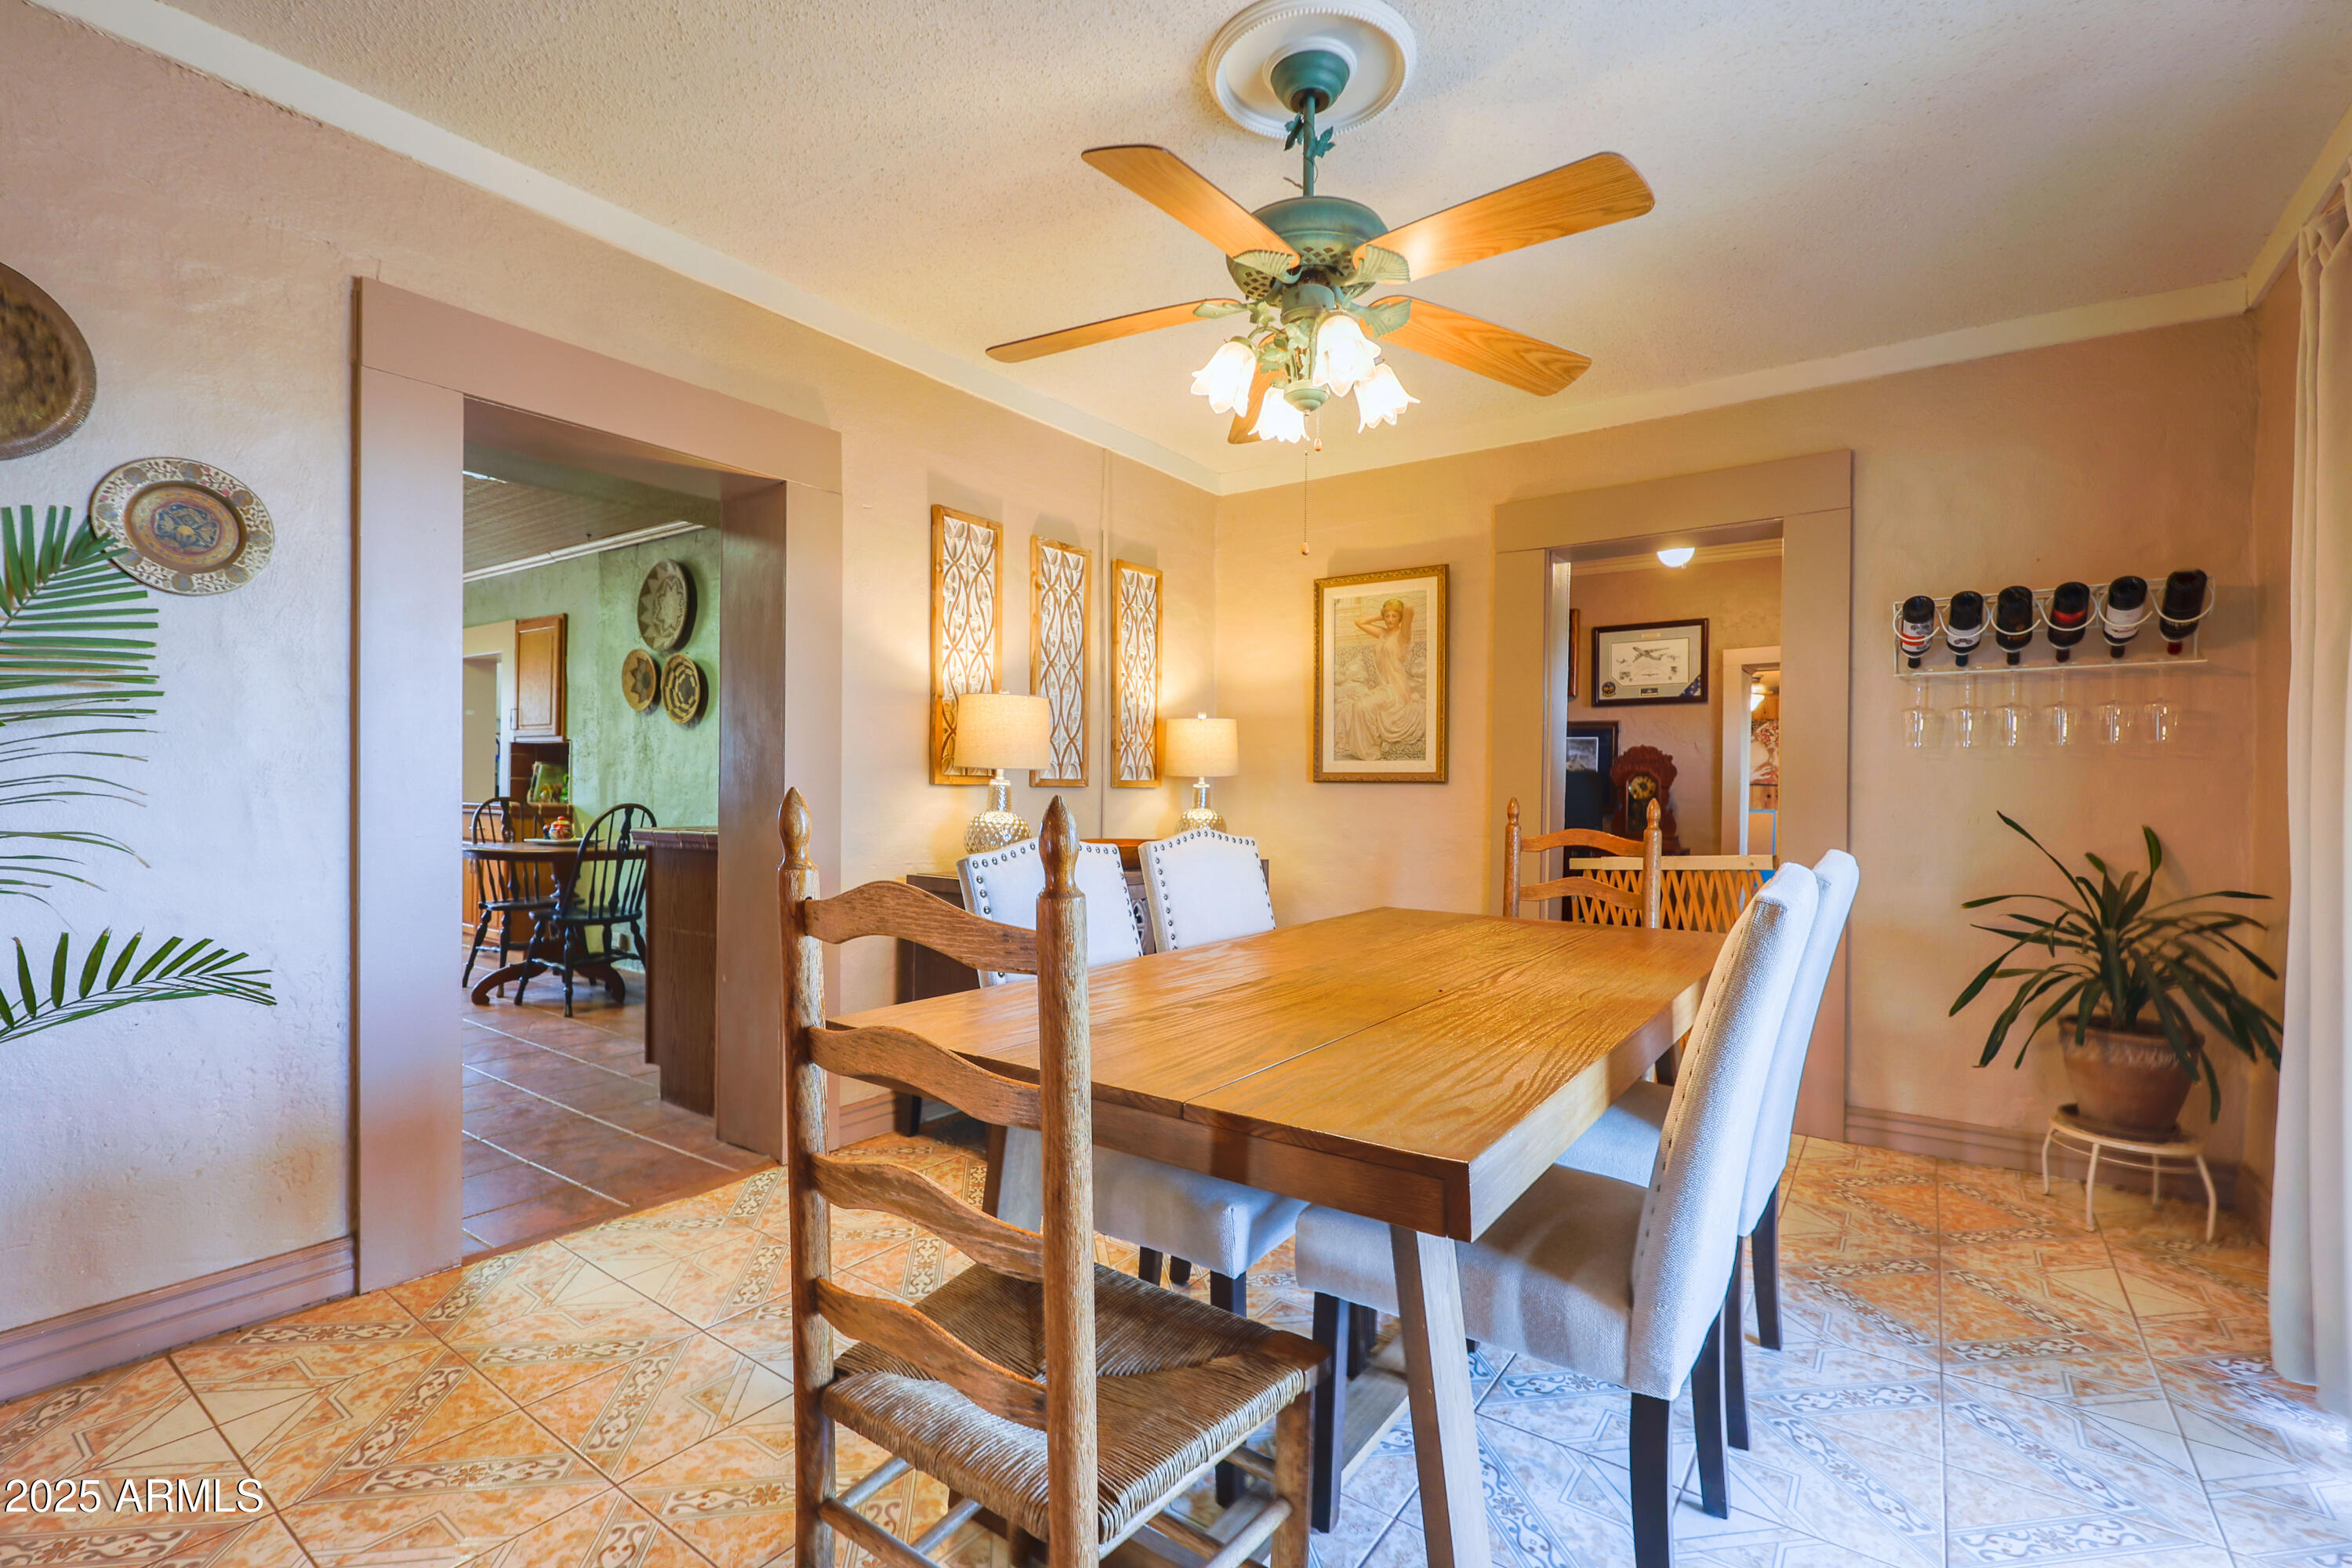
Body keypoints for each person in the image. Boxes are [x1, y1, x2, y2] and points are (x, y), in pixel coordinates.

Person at [1334, 597, 1425, 762]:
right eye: (1387, 616)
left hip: (1397, 690)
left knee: (1361, 706)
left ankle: (1370, 750)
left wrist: (1396, 610)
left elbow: (1410, 609)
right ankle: (1366, 749)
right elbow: (1359, 622)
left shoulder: (1403, 636)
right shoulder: (1383, 634)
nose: (1390, 620)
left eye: (1394, 616)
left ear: (1400, 618)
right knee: (1357, 706)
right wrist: (1382, 614)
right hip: (1385, 688)